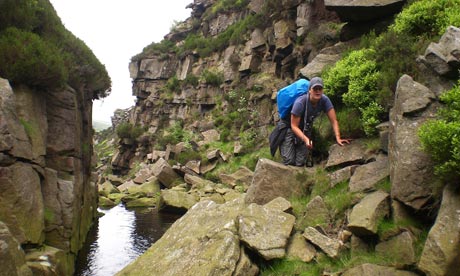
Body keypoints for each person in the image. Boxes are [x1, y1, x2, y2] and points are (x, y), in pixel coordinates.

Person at [280, 76, 350, 166]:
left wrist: (338, 137)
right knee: (289, 161)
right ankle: (285, 146)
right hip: (289, 127)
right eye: (315, 89)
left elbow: (334, 121)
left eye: (320, 89)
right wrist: (306, 140)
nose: (318, 91)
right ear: (309, 90)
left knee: (300, 162)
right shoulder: (300, 103)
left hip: (305, 128)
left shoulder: (325, 100)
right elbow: (294, 126)